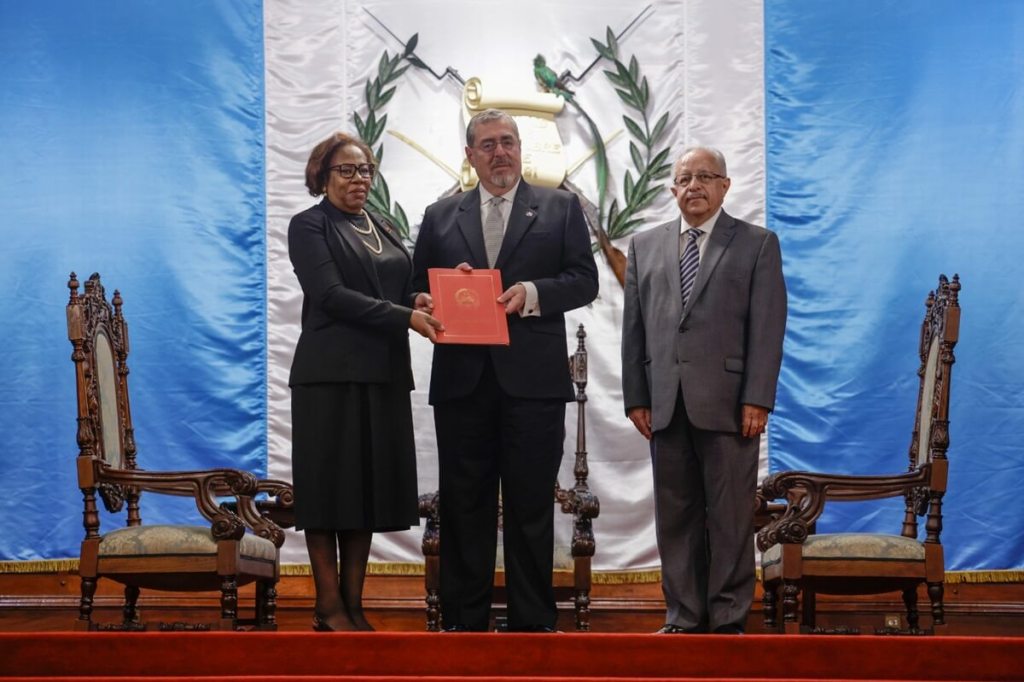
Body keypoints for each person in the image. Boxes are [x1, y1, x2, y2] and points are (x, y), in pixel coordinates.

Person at [412, 109, 599, 632]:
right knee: (464, 506)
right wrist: (428, 297)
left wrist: (534, 294)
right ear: (469, 156)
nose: (500, 152)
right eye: (488, 144)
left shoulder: (560, 208)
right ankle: (463, 625)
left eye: (508, 142)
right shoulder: (440, 214)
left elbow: (585, 281)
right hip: (462, 384)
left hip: (533, 386)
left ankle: (533, 624)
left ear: (521, 150)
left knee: (530, 507)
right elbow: (412, 288)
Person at [621, 146, 787, 634]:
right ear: (672, 189)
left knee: (732, 517)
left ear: (725, 186)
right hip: (666, 405)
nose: (693, 185)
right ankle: (684, 618)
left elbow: (768, 325)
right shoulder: (645, 246)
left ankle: (729, 620)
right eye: (684, 178)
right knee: (676, 519)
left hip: (732, 406)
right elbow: (634, 330)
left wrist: (757, 396)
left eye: (705, 177)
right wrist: (637, 397)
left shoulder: (757, 243)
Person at [288, 132, 442, 632]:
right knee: (328, 491)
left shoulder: (383, 224)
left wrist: (417, 301)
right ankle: (327, 605)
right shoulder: (310, 226)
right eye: (347, 171)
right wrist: (404, 316)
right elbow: (330, 295)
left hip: (383, 375)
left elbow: (398, 287)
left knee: (365, 494)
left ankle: (354, 606)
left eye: (366, 170)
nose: (359, 179)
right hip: (329, 376)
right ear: (323, 176)